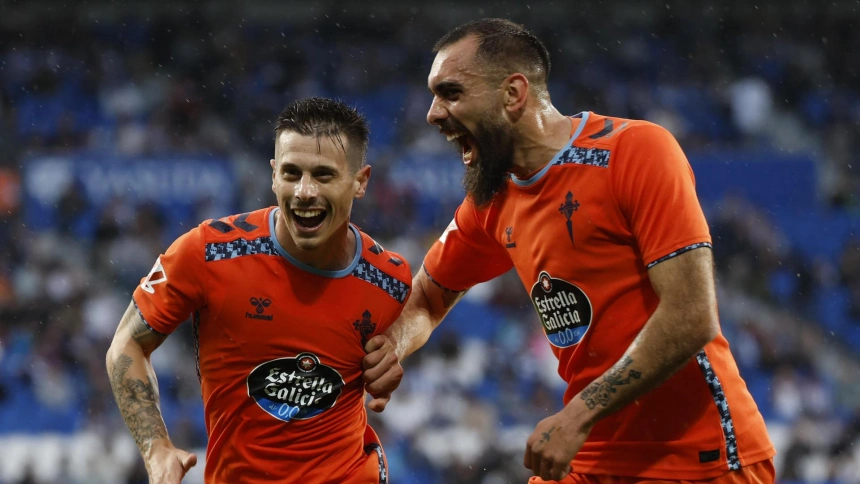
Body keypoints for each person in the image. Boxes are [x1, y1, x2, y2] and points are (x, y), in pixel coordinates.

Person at [362, 18, 775, 484]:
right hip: (592, 457)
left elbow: (691, 316)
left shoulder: (635, 151)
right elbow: (428, 297)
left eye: (451, 92)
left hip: (702, 459)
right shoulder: (491, 203)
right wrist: (393, 347)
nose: (433, 114)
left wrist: (578, 415)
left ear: (513, 94)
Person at [106, 97, 411, 484]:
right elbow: (127, 345)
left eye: (323, 175)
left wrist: (395, 353)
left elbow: (412, 326)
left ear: (360, 181)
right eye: (291, 173)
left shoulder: (389, 279)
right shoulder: (207, 251)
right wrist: (156, 449)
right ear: (272, 175)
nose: (304, 191)